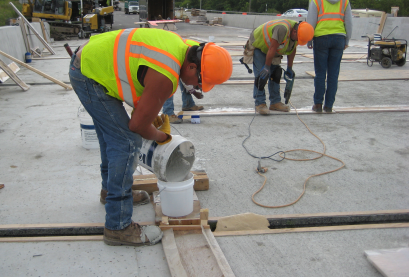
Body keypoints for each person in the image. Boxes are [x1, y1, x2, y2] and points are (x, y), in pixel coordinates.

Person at [68, 28, 232, 246]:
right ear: (192, 66)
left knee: (112, 136)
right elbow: (136, 126)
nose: (197, 87)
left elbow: (135, 73)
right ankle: (118, 226)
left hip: (91, 60)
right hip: (89, 73)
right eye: (200, 81)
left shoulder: (185, 47)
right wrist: (161, 136)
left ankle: (111, 192)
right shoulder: (166, 75)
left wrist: (147, 111)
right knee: (126, 142)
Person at [246, 19, 314, 115]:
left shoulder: (297, 33)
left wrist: (289, 68)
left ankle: (275, 102)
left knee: (276, 73)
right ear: (294, 32)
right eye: (298, 39)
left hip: (272, 48)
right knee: (262, 75)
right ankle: (260, 103)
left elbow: (292, 49)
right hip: (260, 44)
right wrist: (266, 66)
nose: (298, 41)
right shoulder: (282, 29)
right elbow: (272, 48)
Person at [307, 0, 353, 113]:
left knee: (320, 73)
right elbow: (349, 22)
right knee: (333, 74)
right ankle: (328, 106)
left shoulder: (316, 1)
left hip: (321, 37)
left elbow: (311, 21)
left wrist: (309, 39)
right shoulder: (344, 2)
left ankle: (317, 104)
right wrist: (347, 39)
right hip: (339, 38)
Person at [163, 39, 204, 124]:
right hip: (169, 58)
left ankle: (188, 104)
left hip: (177, 55)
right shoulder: (192, 58)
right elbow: (186, 80)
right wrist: (194, 92)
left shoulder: (200, 54)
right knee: (169, 83)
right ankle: (167, 113)